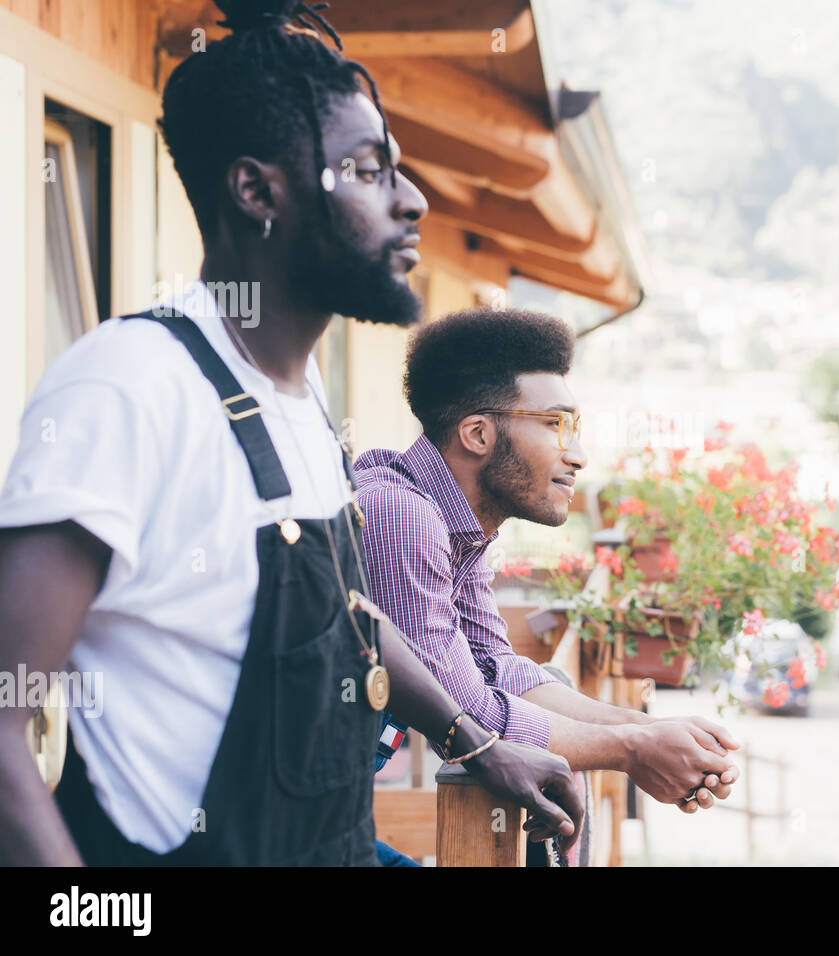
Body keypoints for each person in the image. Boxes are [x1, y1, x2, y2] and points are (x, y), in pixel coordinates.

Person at [0, 0, 580, 866]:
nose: (412, 199)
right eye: (369, 168)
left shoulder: (300, 398)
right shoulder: (129, 389)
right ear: (257, 190)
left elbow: (346, 615)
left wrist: (478, 742)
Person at [357, 307, 741, 866]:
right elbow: (471, 712)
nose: (578, 455)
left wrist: (649, 727)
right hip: (258, 827)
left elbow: (497, 669)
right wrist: (633, 750)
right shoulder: (400, 515)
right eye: (557, 424)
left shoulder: (450, 522)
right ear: (479, 433)